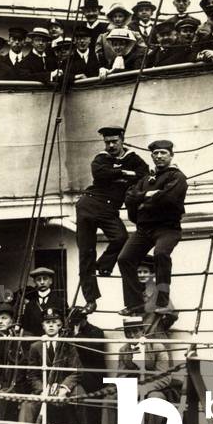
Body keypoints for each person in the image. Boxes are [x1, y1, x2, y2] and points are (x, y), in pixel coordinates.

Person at [76, 125, 150, 313]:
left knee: (121, 239)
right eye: (107, 142)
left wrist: (119, 174)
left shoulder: (133, 158)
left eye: (114, 142)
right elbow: (100, 174)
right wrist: (125, 174)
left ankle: (103, 266)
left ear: (122, 140)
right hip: (88, 205)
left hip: (109, 209)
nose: (110, 146)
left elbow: (144, 174)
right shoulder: (101, 158)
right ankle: (91, 300)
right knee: (86, 253)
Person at [118, 139, 188, 314]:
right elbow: (129, 198)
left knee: (161, 254)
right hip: (144, 229)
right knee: (125, 259)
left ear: (171, 155)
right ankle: (135, 303)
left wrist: (142, 203)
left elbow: (168, 199)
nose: (159, 156)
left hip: (167, 228)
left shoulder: (177, 177)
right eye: (156, 153)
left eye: (163, 153)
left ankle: (163, 300)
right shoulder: (146, 179)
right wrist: (148, 195)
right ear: (152, 156)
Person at [1, 309, 83, 424]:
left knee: (81, 397)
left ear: (60, 325)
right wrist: (42, 389)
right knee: (29, 403)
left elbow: (76, 371)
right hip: (44, 387)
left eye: (54, 322)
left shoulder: (67, 345)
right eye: (47, 322)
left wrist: (64, 388)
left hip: (64, 386)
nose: (51, 326)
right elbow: (32, 374)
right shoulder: (36, 347)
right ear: (43, 326)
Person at [116, 314, 180, 424]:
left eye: (135, 332)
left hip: (157, 389)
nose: (132, 336)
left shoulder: (157, 347)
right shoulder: (124, 350)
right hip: (133, 388)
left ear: (143, 331)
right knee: (110, 398)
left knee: (154, 400)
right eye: (128, 333)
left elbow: (164, 377)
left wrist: (144, 388)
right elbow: (121, 375)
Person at [65, 305, 107, 424]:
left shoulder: (96, 332)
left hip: (94, 375)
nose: (75, 325)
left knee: (79, 395)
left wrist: (77, 336)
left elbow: (91, 352)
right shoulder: (69, 332)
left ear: (84, 319)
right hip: (77, 374)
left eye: (77, 322)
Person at [135, 256, 179, 334]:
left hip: (154, 333)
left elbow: (173, 313)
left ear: (152, 273)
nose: (142, 275)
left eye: (145, 272)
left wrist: (160, 327)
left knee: (158, 346)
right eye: (139, 272)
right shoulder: (135, 291)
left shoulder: (158, 290)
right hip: (138, 334)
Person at [20, 267, 66, 337]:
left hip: (56, 343)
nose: (42, 282)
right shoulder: (30, 305)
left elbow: (64, 326)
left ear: (51, 281)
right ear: (35, 282)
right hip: (35, 344)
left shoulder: (60, 302)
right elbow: (27, 330)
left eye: (45, 279)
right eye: (38, 279)